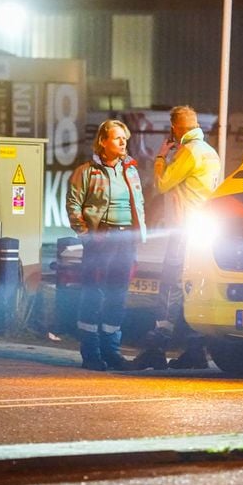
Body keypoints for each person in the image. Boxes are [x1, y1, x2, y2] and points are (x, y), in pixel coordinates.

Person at [130, 105, 222, 370]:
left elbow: (162, 183)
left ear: (175, 128)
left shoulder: (189, 152)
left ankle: (156, 349)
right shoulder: (210, 152)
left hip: (184, 229)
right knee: (192, 289)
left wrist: (161, 157)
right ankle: (195, 351)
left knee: (170, 287)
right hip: (202, 230)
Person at [66, 118, 148, 371]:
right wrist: (86, 235)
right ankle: (91, 354)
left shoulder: (130, 170)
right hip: (101, 239)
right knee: (93, 295)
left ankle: (112, 352)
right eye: (117, 138)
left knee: (117, 295)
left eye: (125, 138)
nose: (123, 142)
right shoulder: (86, 172)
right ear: (103, 141)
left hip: (126, 240)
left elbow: (139, 204)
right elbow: (73, 206)